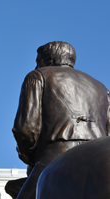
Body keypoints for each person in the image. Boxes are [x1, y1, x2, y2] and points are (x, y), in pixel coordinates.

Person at [10, 41, 110, 199]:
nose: (37, 65)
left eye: (38, 61)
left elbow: (26, 128)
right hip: (99, 152)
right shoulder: (103, 88)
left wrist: (30, 157)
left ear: (46, 60)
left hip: (56, 153)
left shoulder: (37, 76)